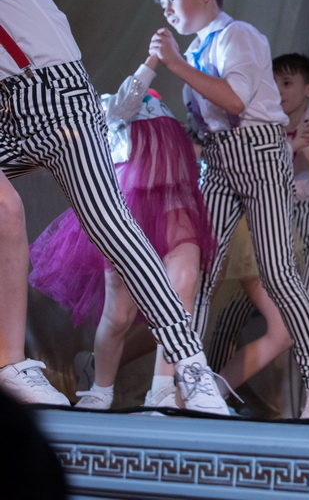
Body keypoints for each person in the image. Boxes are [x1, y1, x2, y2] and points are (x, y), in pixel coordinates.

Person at [0, 0, 226, 413]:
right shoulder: (125, 103)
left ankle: (189, 367)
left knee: (114, 229)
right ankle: (14, 365)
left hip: (57, 100)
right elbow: (125, 101)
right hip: (6, 113)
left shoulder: (154, 111)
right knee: (6, 211)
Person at [150, 0, 309, 418]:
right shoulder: (195, 52)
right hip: (218, 161)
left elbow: (235, 100)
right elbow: (205, 125)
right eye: (162, 5)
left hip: (259, 154)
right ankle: (185, 385)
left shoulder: (238, 35)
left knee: (277, 271)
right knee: (200, 272)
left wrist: (173, 64)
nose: (167, 11)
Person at [28, 57, 216, 410]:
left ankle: (162, 393)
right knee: (118, 314)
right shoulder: (107, 106)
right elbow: (123, 105)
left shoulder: (165, 113)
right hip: (131, 207)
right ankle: (100, 388)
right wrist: (151, 63)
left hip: (175, 203)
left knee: (184, 288)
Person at [208, 54, 309, 397]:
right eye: (274, 82)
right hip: (270, 216)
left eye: (287, 83)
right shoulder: (264, 123)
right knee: (233, 312)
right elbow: (250, 168)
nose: (279, 90)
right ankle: (207, 391)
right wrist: (292, 145)